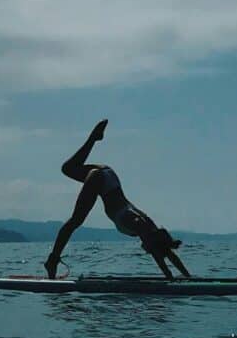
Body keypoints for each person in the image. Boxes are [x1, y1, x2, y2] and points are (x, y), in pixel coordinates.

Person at [44, 120, 191, 280]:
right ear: (153, 243)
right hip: (101, 179)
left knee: (68, 169)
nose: (145, 249)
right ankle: (52, 261)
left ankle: (93, 139)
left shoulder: (150, 227)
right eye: (149, 248)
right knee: (75, 221)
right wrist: (169, 277)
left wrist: (188, 278)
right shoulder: (142, 225)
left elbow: (166, 253)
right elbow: (159, 254)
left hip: (108, 175)